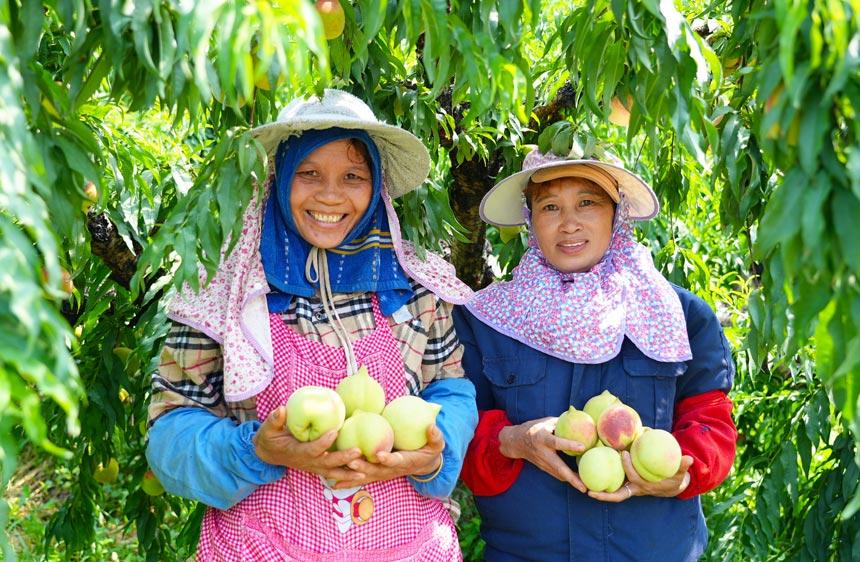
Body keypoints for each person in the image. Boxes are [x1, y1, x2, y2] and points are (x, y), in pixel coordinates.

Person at [145, 89, 478, 561]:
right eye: (308, 173)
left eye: (353, 176)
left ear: (376, 184)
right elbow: (169, 431)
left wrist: (433, 452)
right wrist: (257, 450)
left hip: (406, 546)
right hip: (263, 546)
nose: (330, 194)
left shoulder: (414, 286)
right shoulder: (229, 291)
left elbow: (450, 387)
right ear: (279, 179)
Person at [452, 147, 738, 562]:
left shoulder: (677, 314)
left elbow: (711, 420)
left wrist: (682, 470)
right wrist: (512, 441)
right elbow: (462, 432)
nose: (569, 223)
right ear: (531, 220)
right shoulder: (487, 320)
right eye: (550, 206)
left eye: (588, 202)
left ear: (616, 214)